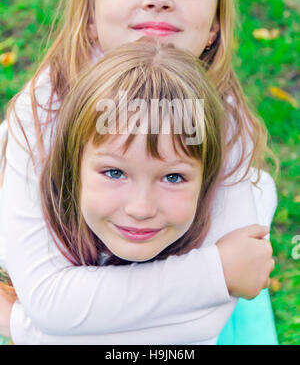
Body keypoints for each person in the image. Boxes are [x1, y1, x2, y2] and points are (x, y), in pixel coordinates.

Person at [0, 0, 277, 344]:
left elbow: (201, 326)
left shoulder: (224, 122)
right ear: (89, 13)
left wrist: (23, 323)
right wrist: (214, 272)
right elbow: (51, 302)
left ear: (214, 27)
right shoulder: (41, 113)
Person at [0, 39, 274, 344]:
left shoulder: (252, 201)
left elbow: (197, 329)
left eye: (172, 177)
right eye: (115, 173)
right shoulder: (16, 224)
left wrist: (21, 325)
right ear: (71, 166)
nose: (141, 208)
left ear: (209, 178)